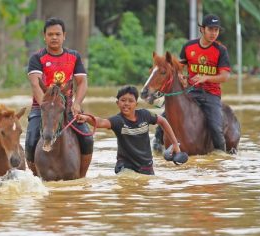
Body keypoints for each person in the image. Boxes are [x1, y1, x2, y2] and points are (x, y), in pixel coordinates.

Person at [25, 17, 93, 176]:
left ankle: (81, 176)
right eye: (50, 34)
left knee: (87, 139)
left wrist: (77, 104)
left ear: (64, 36)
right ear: (44, 36)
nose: (54, 37)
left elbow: (82, 82)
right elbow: (36, 84)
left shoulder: (74, 56)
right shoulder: (36, 58)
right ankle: (37, 177)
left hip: (68, 107)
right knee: (30, 142)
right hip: (41, 107)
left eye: (57, 34)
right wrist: (46, 107)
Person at [154, 14, 230, 152]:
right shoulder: (189, 46)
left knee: (215, 125)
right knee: (165, 115)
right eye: (210, 29)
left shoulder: (221, 50)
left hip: (211, 94)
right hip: (190, 91)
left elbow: (224, 76)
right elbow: (178, 67)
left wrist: (206, 77)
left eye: (216, 30)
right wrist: (181, 76)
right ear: (202, 29)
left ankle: (221, 153)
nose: (214, 33)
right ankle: (157, 143)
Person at [76, 85, 182, 175]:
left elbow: (163, 121)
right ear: (118, 103)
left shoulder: (145, 115)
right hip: (125, 166)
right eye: (123, 100)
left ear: (136, 104)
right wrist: (87, 118)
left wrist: (175, 144)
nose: (126, 103)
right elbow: (101, 122)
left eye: (130, 101)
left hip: (146, 166)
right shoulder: (117, 121)